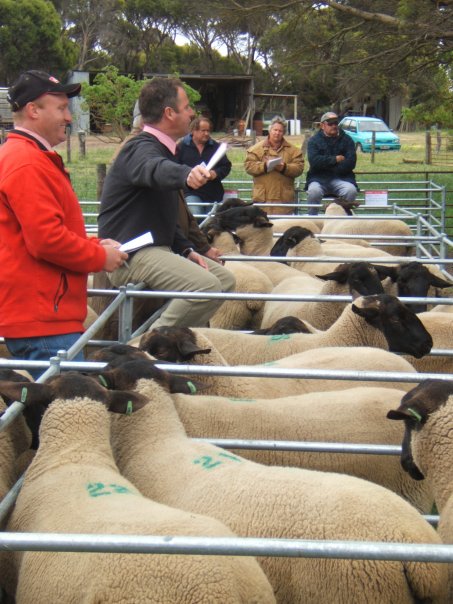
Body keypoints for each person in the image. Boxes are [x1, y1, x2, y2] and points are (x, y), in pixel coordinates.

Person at [0, 69, 127, 377]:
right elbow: (46, 239)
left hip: (43, 312)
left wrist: (93, 245)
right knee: (68, 419)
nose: (69, 117)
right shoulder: (27, 163)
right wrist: (99, 257)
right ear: (33, 110)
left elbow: (44, 231)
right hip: (43, 320)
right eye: (61, 108)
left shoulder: (28, 158)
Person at [98, 77, 235, 330]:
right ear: (169, 113)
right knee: (206, 286)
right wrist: (185, 174)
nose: (192, 113)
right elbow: (153, 168)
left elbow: (163, 215)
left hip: (156, 249)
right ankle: (149, 347)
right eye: (186, 107)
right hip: (130, 253)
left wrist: (186, 249)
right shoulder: (139, 148)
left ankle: (168, 342)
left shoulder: (164, 150)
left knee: (224, 280)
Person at [244, 116, 304, 215]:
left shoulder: (294, 151)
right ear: (269, 130)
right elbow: (249, 166)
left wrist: (284, 167)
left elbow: (299, 168)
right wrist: (264, 166)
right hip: (262, 200)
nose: (277, 133)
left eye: (280, 131)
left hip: (284, 201)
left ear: (283, 132)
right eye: (275, 130)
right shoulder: (255, 149)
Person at [177, 116, 232, 219]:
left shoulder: (216, 147)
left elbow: (226, 166)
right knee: (195, 216)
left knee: (210, 222)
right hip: (190, 192)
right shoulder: (181, 147)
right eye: (203, 131)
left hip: (213, 193)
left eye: (208, 131)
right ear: (194, 130)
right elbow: (175, 167)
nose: (206, 133)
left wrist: (215, 174)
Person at [304, 111, 358, 215]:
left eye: (336, 123)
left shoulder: (347, 140)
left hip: (342, 178)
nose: (334, 126)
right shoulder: (313, 141)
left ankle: (343, 219)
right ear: (322, 125)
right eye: (330, 123)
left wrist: (326, 165)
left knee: (351, 190)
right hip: (318, 179)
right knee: (314, 191)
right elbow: (314, 162)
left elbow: (351, 163)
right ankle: (312, 218)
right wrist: (335, 159)